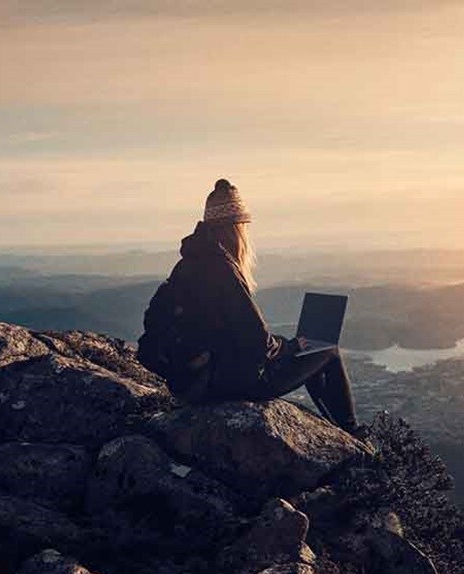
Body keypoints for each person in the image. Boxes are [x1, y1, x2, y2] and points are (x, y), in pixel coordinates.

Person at [145, 178, 358, 432]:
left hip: (191, 384)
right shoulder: (222, 268)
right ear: (237, 229)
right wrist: (290, 346)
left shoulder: (187, 265)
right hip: (228, 384)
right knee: (327, 351)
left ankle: (341, 432)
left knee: (310, 351)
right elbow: (257, 339)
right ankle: (351, 432)